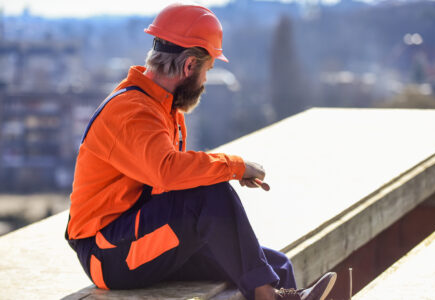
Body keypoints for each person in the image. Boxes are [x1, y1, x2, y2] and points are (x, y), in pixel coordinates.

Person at [65, 3, 336, 300]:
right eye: (208, 69)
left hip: (137, 241)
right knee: (209, 193)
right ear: (189, 66)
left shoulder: (162, 109)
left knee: (274, 265)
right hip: (109, 255)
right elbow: (167, 172)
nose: (206, 80)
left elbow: (169, 186)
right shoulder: (132, 111)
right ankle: (268, 298)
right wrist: (234, 166)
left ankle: (273, 293)